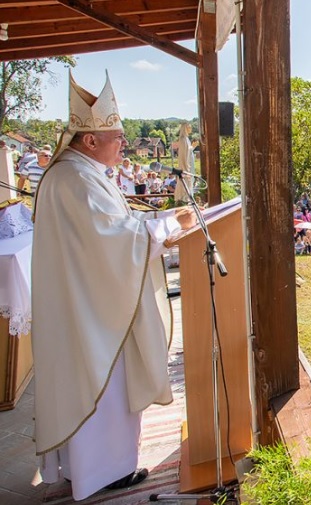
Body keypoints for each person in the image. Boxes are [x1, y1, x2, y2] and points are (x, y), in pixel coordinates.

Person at [32, 73, 195, 500]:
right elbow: (114, 239)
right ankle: (104, 471)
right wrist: (162, 228)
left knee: (88, 383)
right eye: (116, 135)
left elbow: (112, 230)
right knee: (104, 384)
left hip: (86, 299)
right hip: (94, 312)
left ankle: (86, 467)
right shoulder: (77, 179)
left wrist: (157, 224)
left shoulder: (80, 172)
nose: (123, 142)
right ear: (89, 140)